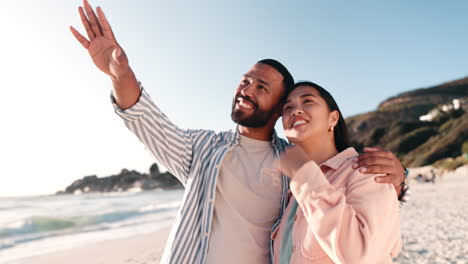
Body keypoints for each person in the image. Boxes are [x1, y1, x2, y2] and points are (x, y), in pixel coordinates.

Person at [69, 1, 408, 263]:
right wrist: (119, 74)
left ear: (278, 109)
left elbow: (343, 191)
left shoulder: (293, 165)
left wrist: (399, 178)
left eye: (261, 86)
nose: (246, 89)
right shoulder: (202, 149)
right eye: (245, 81)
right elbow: (145, 120)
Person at [273, 82, 402, 263]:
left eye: (308, 101)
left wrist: (306, 179)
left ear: (333, 118)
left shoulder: (365, 171)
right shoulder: (293, 189)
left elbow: (363, 258)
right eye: (288, 107)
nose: (295, 111)